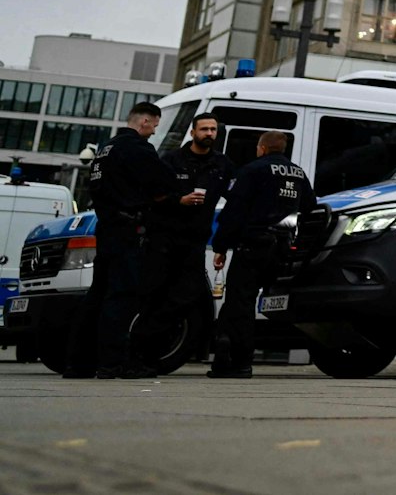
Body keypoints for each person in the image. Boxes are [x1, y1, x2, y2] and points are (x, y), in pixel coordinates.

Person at [64, 101, 189, 379]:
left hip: (107, 227)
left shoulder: (105, 149)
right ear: (144, 121)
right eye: (154, 125)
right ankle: (111, 363)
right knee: (121, 296)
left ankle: (78, 362)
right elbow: (164, 180)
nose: (154, 132)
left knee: (96, 295)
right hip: (128, 228)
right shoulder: (137, 148)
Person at [207, 131, 315, 378]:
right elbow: (310, 207)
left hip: (253, 246)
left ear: (263, 148)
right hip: (282, 249)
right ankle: (224, 359)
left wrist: (221, 247)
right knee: (239, 303)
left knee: (240, 303)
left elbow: (234, 211)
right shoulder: (298, 173)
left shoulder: (253, 170)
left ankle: (241, 362)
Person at [139, 112, 234, 365]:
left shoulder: (222, 164)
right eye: (204, 129)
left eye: (213, 130)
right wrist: (179, 201)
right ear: (193, 133)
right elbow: (152, 195)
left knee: (187, 294)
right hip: (165, 239)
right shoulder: (172, 160)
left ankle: (154, 344)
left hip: (195, 242)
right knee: (155, 293)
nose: (209, 134)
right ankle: (141, 353)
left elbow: (235, 197)